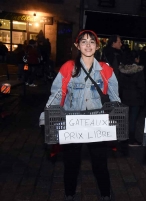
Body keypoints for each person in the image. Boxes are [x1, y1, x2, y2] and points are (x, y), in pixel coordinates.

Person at [45, 30, 120, 201]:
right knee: (71, 164)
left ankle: (105, 194)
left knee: (100, 164)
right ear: (77, 46)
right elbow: (56, 95)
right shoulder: (68, 68)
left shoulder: (106, 70)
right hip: (73, 124)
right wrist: (46, 117)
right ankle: (69, 194)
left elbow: (115, 99)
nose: (88, 45)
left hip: (97, 125)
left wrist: (116, 118)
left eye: (92, 42)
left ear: (97, 45)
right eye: (84, 42)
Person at [119, 50, 145, 146]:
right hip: (136, 97)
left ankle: (123, 138)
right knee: (133, 119)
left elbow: (120, 84)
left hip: (124, 96)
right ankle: (131, 139)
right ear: (135, 59)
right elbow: (141, 85)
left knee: (124, 118)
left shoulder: (122, 70)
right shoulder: (138, 71)